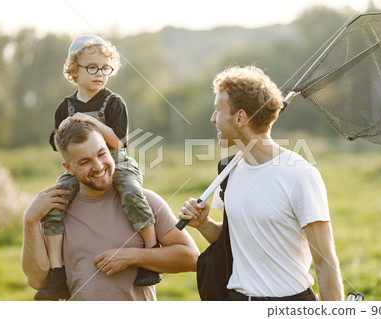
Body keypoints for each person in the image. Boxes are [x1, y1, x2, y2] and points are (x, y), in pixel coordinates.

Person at [179, 65, 344, 301]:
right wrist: (204, 224)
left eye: (218, 110)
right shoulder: (227, 171)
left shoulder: (300, 176)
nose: (212, 119)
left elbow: (325, 264)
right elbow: (233, 241)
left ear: (240, 117)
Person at [38, 35, 159, 300]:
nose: (99, 74)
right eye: (91, 67)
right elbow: (58, 143)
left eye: (105, 68)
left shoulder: (113, 102)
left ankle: (151, 252)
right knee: (55, 202)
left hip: (117, 163)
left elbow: (118, 141)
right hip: (80, 167)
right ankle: (57, 272)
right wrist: (63, 127)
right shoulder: (65, 107)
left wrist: (86, 121)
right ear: (73, 70)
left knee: (131, 191)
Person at [21, 120, 199, 300]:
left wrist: (132, 256)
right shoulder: (58, 212)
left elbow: (191, 258)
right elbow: (37, 280)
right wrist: (30, 219)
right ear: (69, 168)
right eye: (85, 162)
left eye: (101, 154)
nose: (98, 166)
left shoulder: (146, 201)